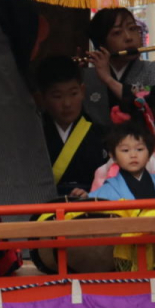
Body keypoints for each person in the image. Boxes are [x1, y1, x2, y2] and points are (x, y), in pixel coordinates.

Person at [82, 7, 155, 144]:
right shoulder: (87, 79)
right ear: (101, 45)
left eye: (133, 29)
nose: (129, 37)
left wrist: (109, 80)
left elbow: (153, 113)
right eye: (117, 33)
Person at [35, 56, 107, 200]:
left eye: (73, 94)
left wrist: (91, 194)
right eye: (57, 96)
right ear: (41, 98)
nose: (67, 103)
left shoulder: (102, 135)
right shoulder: (33, 137)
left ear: (83, 91)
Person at [92, 119, 155, 201]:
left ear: (149, 154)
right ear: (113, 156)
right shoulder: (107, 190)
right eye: (125, 150)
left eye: (139, 149)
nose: (133, 155)